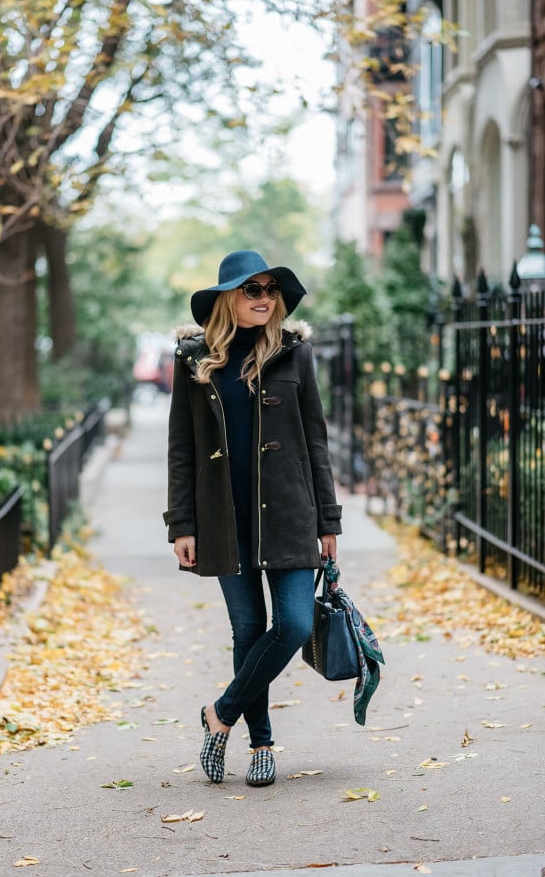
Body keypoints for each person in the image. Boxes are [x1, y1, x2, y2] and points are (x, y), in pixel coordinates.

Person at [163, 250, 342, 787]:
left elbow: (316, 441)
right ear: (228, 298)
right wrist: (181, 524)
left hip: (289, 514)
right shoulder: (194, 358)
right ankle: (261, 744)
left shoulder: (295, 354)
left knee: (294, 624)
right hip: (224, 519)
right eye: (252, 289)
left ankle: (219, 714)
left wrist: (328, 521)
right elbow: (181, 447)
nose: (264, 298)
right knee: (247, 630)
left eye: (270, 289)